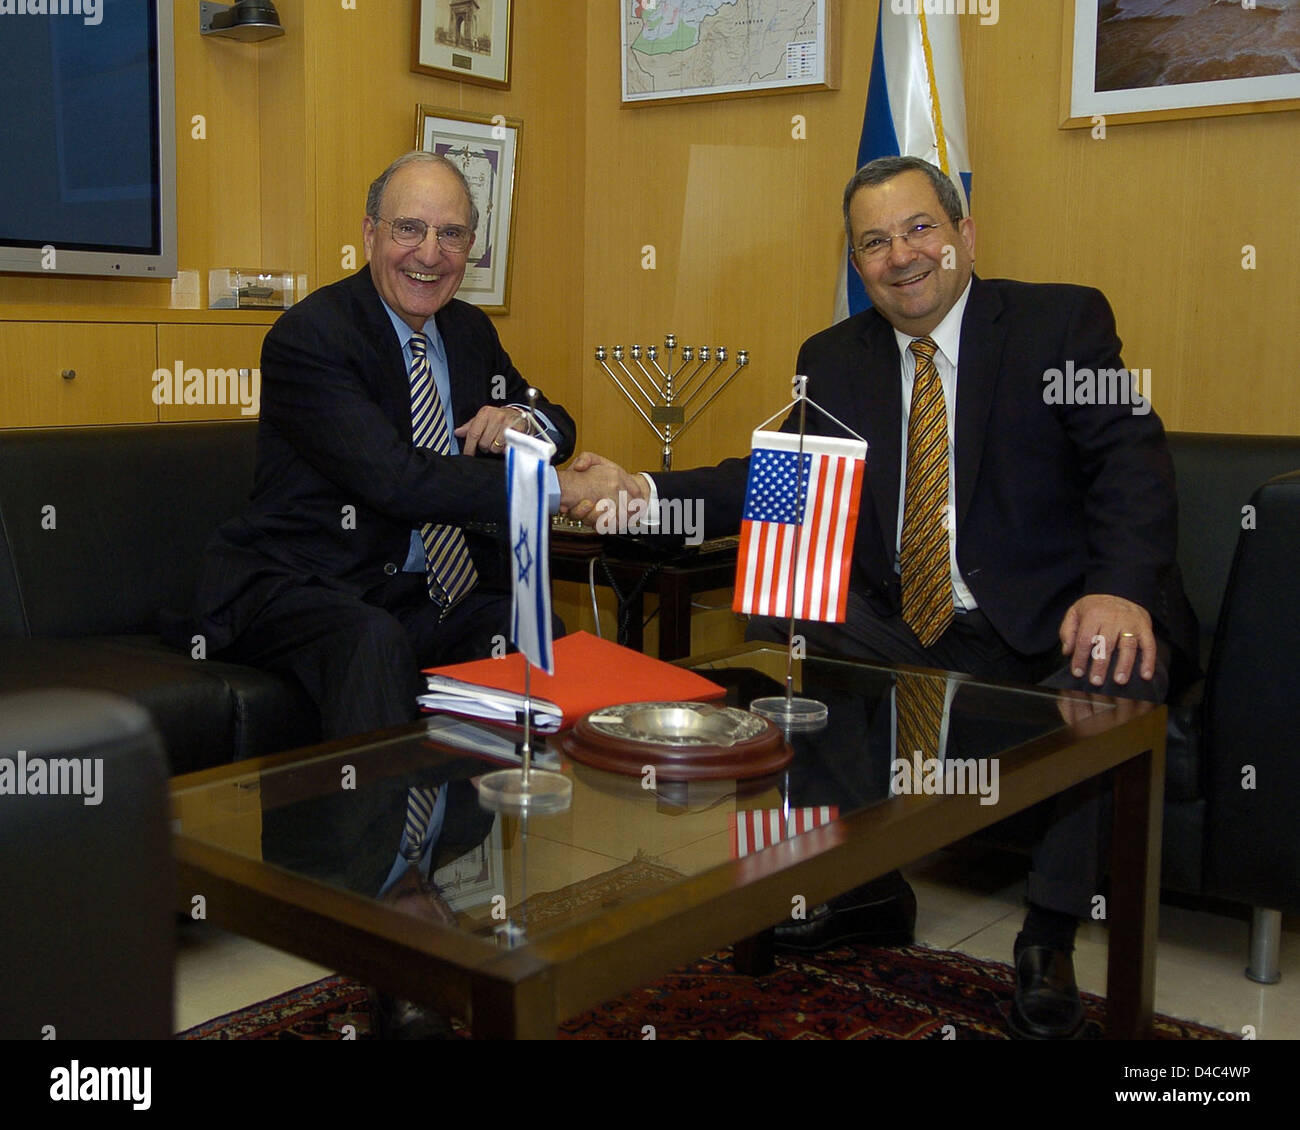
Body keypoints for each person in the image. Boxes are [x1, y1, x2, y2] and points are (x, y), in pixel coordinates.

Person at [560, 155, 1198, 1039]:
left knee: (1113, 666)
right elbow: (774, 482)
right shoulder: (835, 359)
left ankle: (1049, 938)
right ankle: (861, 890)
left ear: (965, 234)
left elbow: (1132, 462)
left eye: (919, 229)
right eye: (873, 242)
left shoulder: (1061, 323)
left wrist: (1121, 591)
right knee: (803, 617)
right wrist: (643, 487)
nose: (901, 255)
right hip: (918, 627)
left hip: (1052, 619)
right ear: (856, 264)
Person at [188, 150, 576, 741]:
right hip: (307, 584)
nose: (429, 254)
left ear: (470, 246)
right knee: (371, 639)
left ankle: (482, 826)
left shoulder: (469, 330)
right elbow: (397, 481)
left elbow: (559, 424)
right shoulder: (312, 336)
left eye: (450, 234)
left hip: (427, 590)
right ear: (370, 234)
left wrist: (520, 417)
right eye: (409, 229)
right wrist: (555, 490)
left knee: (533, 627)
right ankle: (372, 826)